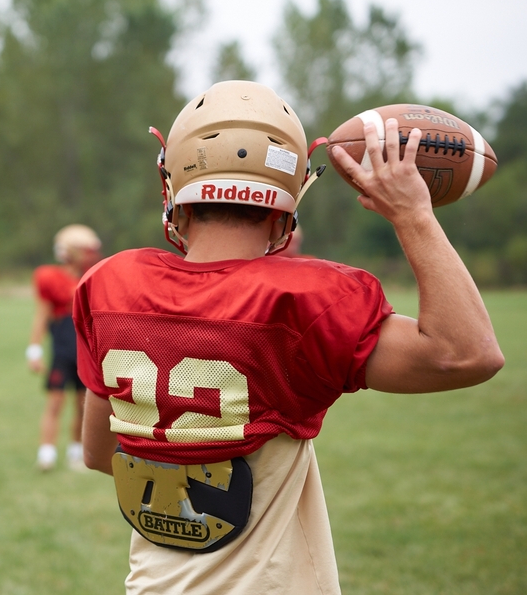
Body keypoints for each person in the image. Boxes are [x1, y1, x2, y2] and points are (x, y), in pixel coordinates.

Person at [73, 81, 504, 594]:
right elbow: (468, 354)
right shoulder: (303, 305)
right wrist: (413, 215)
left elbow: (100, 455)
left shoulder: (110, 287)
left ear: (174, 190)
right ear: (287, 205)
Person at [27, 224, 102, 471]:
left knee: (83, 406)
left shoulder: (92, 277)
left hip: (86, 352)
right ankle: (46, 454)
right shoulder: (51, 278)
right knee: (55, 404)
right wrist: (34, 350)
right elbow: (41, 315)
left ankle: (75, 452)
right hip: (62, 352)